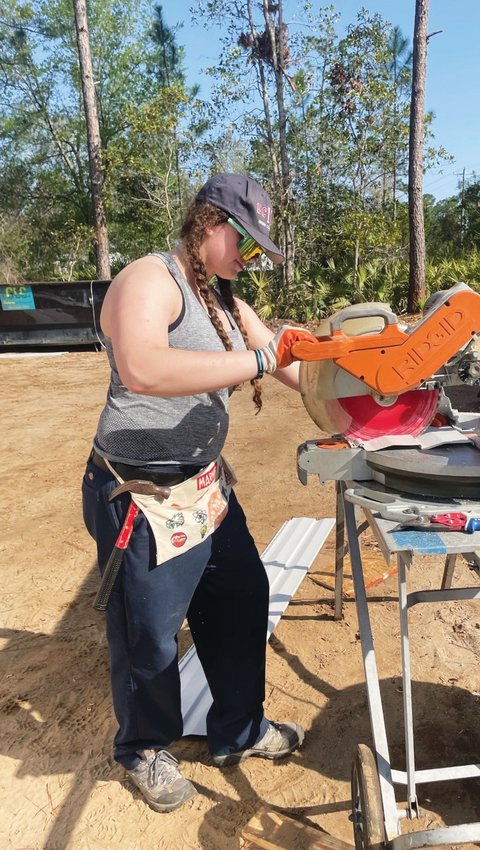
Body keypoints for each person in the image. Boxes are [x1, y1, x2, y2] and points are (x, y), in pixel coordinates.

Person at [82, 173, 316, 813]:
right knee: (150, 635)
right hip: (140, 495)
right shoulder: (148, 280)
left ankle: (237, 730)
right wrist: (260, 362)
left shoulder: (225, 301)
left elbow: (292, 364)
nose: (251, 258)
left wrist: (375, 396)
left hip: (205, 487)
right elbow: (145, 367)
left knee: (242, 598)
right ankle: (143, 748)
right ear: (213, 223)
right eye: (246, 241)